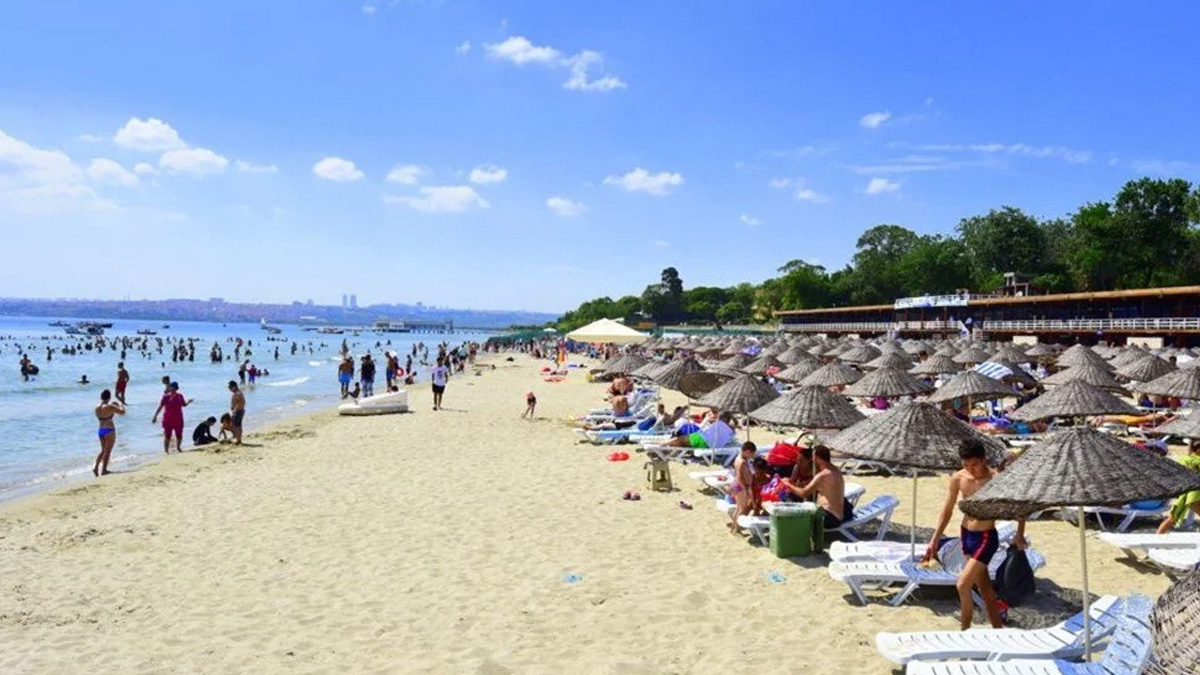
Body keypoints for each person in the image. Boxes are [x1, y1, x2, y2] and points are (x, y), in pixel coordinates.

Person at [923, 439, 1026, 630]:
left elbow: (1020, 506)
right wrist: (935, 539)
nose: (971, 469)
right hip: (966, 535)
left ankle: (964, 632)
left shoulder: (996, 479)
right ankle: (998, 630)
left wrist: (1020, 534)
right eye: (966, 465)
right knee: (985, 591)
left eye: (975, 464)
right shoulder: (958, 478)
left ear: (983, 459)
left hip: (986, 537)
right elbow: (947, 510)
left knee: (963, 585)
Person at [781, 445, 853, 529]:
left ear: (817, 457)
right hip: (837, 517)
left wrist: (788, 485)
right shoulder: (836, 470)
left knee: (795, 516)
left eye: (813, 457)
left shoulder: (822, 475)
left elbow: (804, 493)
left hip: (828, 517)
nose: (812, 460)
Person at [1158, 440, 1200, 533]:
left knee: (1172, 518)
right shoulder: (1198, 461)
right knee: (1172, 518)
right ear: (1198, 450)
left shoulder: (1183, 459)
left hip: (1183, 493)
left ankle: (1158, 535)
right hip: (1193, 496)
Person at [151, 382, 192, 454]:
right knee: (167, 436)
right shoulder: (166, 397)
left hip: (178, 419)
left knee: (179, 435)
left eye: (170, 387)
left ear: (174, 388)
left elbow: (184, 404)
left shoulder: (180, 396)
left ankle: (178, 447)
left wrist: (188, 402)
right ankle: (166, 451)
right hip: (168, 420)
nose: (169, 388)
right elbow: (160, 407)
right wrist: (155, 416)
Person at [93, 389, 125, 476]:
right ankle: (104, 470)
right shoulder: (109, 406)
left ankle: (96, 467)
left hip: (101, 429)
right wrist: (120, 404)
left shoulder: (97, 407)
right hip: (109, 429)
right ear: (109, 397)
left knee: (103, 450)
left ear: (101, 397)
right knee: (108, 451)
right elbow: (122, 412)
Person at [665, 411, 736, 450]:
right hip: (712, 446)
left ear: (721, 418)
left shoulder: (719, 423)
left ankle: (663, 444)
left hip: (703, 440)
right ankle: (669, 445)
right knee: (684, 441)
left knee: (680, 438)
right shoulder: (731, 429)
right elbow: (735, 425)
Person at [729, 442, 757, 533]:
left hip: (738, 485)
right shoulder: (742, 462)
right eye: (751, 454)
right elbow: (740, 476)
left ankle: (734, 527)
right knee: (742, 508)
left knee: (738, 508)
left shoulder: (738, 458)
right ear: (747, 451)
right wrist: (745, 488)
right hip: (742, 487)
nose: (751, 456)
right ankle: (736, 528)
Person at [228, 380, 245, 445]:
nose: (229, 389)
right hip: (239, 411)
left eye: (230, 387)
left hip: (238, 411)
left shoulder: (238, 393)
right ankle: (238, 439)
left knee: (236, 426)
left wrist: (235, 409)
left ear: (234, 387)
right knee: (238, 425)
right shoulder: (238, 393)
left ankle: (238, 439)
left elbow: (242, 402)